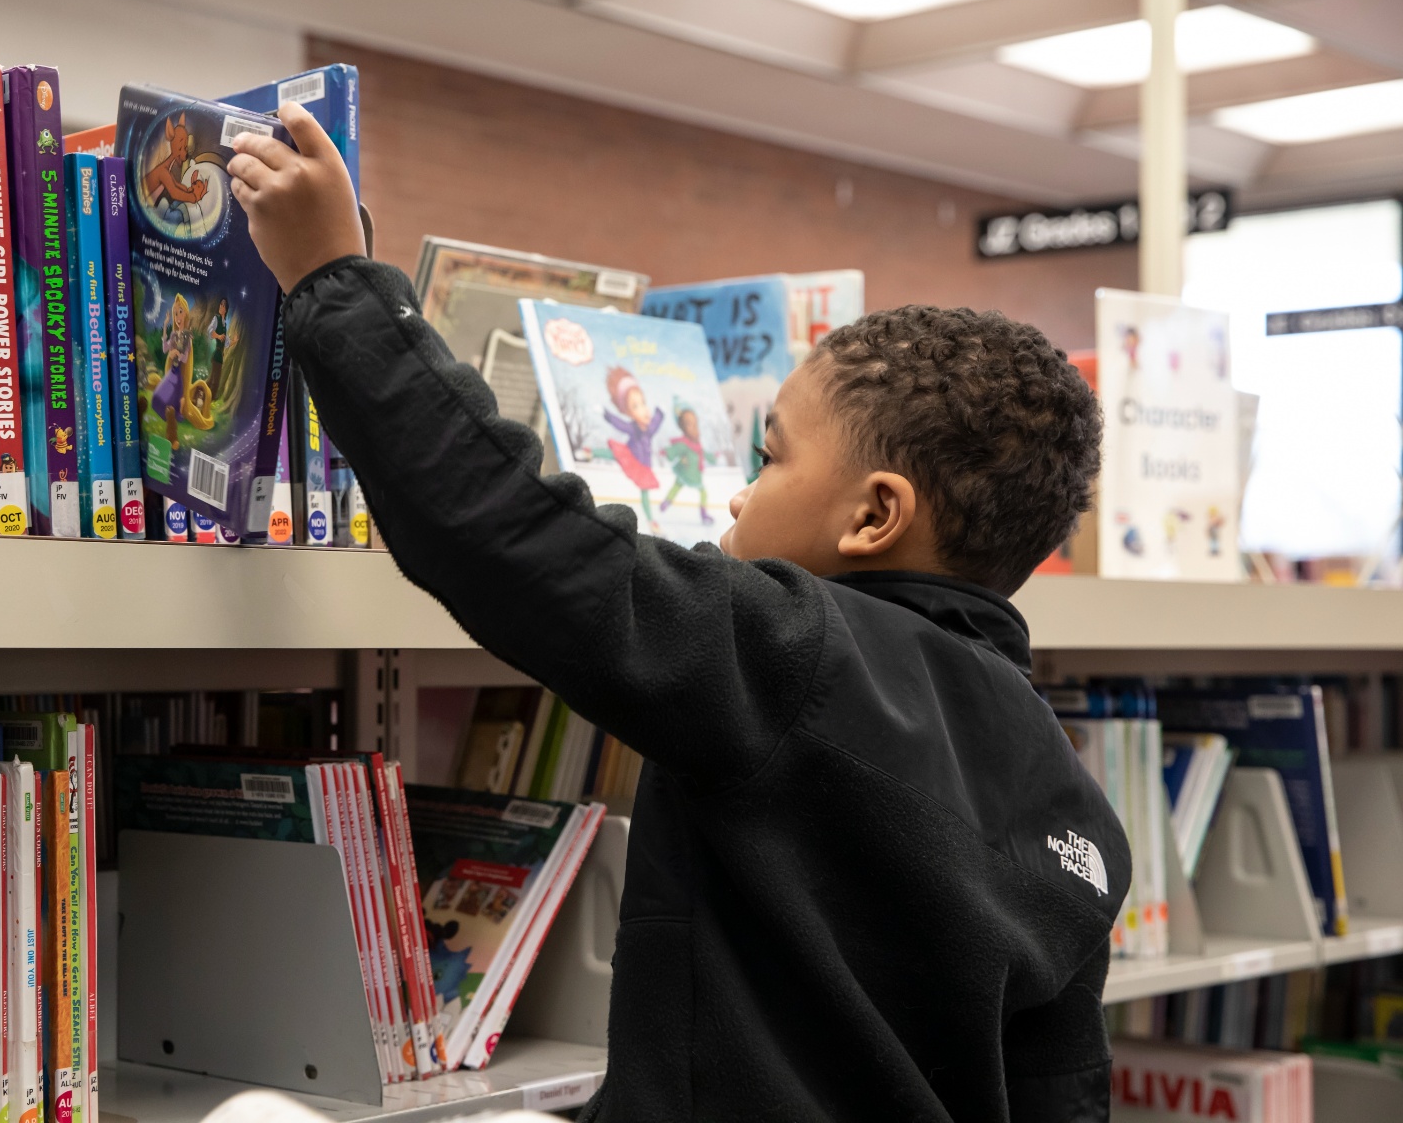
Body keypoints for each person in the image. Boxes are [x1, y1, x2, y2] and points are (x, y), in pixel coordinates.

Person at [227, 104, 1129, 1123]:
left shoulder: (793, 651)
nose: (740, 494)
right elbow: (1066, 1097)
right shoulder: (1076, 809)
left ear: (875, 517)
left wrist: (332, 281)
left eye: (772, 457)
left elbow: (509, 535)